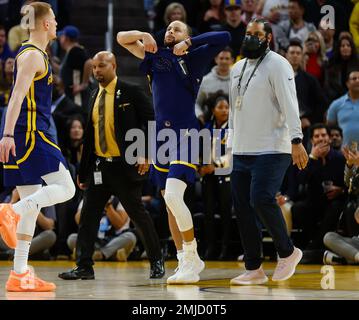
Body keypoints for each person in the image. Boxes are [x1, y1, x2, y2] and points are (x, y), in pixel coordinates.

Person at [117, 21, 231, 284]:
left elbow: (224, 36)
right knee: (169, 202)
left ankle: (193, 256)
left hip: (186, 133)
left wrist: (189, 43)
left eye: (177, 29)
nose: (170, 31)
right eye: (168, 28)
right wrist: (143, 33)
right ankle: (183, 260)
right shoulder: (154, 52)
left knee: (173, 195)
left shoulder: (195, 56)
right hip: (160, 138)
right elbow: (122, 37)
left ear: (186, 36)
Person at [58, 51, 164, 280]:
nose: (97, 71)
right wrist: (84, 171)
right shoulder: (93, 95)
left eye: (102, 66)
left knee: (138, 215)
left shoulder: (131, 90)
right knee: (88, 215)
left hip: (125, 167)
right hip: (99, 167)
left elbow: (151, 121)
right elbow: (89, 136)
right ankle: (84, 266)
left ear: (113, 65)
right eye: (94, 67)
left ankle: (157, 260)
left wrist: (146, 153)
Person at [0, 2, 76, 292]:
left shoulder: (33, 52)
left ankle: (19, 273)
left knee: (33, 209)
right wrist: (7, 134)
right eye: (54, 20)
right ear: (45, 24)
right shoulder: (33, 55)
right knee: (67, 188)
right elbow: (16, 96)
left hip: (24, 132)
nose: (56, 24)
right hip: (31, 132)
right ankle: (12, 210)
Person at [228, 18, 308, 285]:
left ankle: (288, 252)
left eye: (257, 34)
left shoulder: (278, 64)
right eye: (248, 33)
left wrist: (296, 139)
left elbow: (290, 103)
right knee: (242, 207)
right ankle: (254, 268)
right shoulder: (237, 67)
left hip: (273, 146)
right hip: (241, 148)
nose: (251, 37)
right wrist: (230, 142)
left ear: (268, 38)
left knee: (261, 198)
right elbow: (232, 108)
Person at [290, 124, 346, 263]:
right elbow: (301, 180)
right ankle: (316, 246)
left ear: (329, 138)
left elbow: (348, 184)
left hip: (335, 200)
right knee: (297, 208)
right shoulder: (308, 158)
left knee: (335, 207)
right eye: (317, 136)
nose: (320, 138)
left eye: (323, 135)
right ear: (311, 141)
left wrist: (340, 190)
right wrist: (313, 158)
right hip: (315, 201)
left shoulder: (340, 157)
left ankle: (314, 247)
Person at [199, 91, 232, 260]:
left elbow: (232, 154)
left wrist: (215, 165)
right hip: (208, 177)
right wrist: (201, 166)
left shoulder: (232, 129)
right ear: (213, 110)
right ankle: (210, 247)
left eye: (227, 107)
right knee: (209, 213)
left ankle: (225, 248)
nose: (225, 110)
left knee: (226, 213)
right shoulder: (206, 128)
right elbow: (200, 151)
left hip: (225, 174)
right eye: (220, 107)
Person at [285, 39, 328, 146]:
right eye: (292, 53)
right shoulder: (277, 78)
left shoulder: (310, 80)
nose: (295, 56)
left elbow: (322, 103)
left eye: (298, 53)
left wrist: (310, 119)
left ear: (302, 57)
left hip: (304, 129)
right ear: (286, 55)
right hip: (281, 127)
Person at [67, 196, 137, 262]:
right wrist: (89, 203)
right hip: (94, 240)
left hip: (114, 240)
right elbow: (79, 221)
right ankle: (112, 255)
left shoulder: (121, 199)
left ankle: (93, 255)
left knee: (130, 237)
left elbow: (119, 224)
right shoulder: (88, 197)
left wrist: (107, 205)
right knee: (72, 238)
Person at [0, 188, 57, 260]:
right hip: (14, 239)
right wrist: (14, 200)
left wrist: (32, 205)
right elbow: (2, 221)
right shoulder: (12, 196)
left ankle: (13, 254)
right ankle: (24, 253)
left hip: (35, 239)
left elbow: (49, 226)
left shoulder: (45, 197)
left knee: (50, 235)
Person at [195, 47, 234, 123]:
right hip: (208, 124)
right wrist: (200, 116)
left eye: (227, 58)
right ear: (216, 59)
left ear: (232, 60)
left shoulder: (237, 80)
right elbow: (196, 103)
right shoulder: (205, 80)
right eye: (221, 58)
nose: (224, 61)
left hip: (233, 125)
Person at [58, 25, 92, 107]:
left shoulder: (75, 51)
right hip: (72, 96)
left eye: (61, 36)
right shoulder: (71, 51)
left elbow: (89, 62)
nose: (59, 39)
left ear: (66, 38)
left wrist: (83, 85)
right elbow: (65, 70)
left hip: (77, 98)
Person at [327, 70, 359, 146]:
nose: (358, 80)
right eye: (354, 78)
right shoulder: (336, 104)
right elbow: (329, 128)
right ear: (347, 83)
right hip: (344, 153)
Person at [324, 34, 359, 103]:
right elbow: (327, 86)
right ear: (338, 48)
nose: (345, 48)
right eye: (342, 46)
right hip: (336, 100)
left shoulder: (357, 64)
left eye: (348, 45)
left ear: (352, 48)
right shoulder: (331, 64)